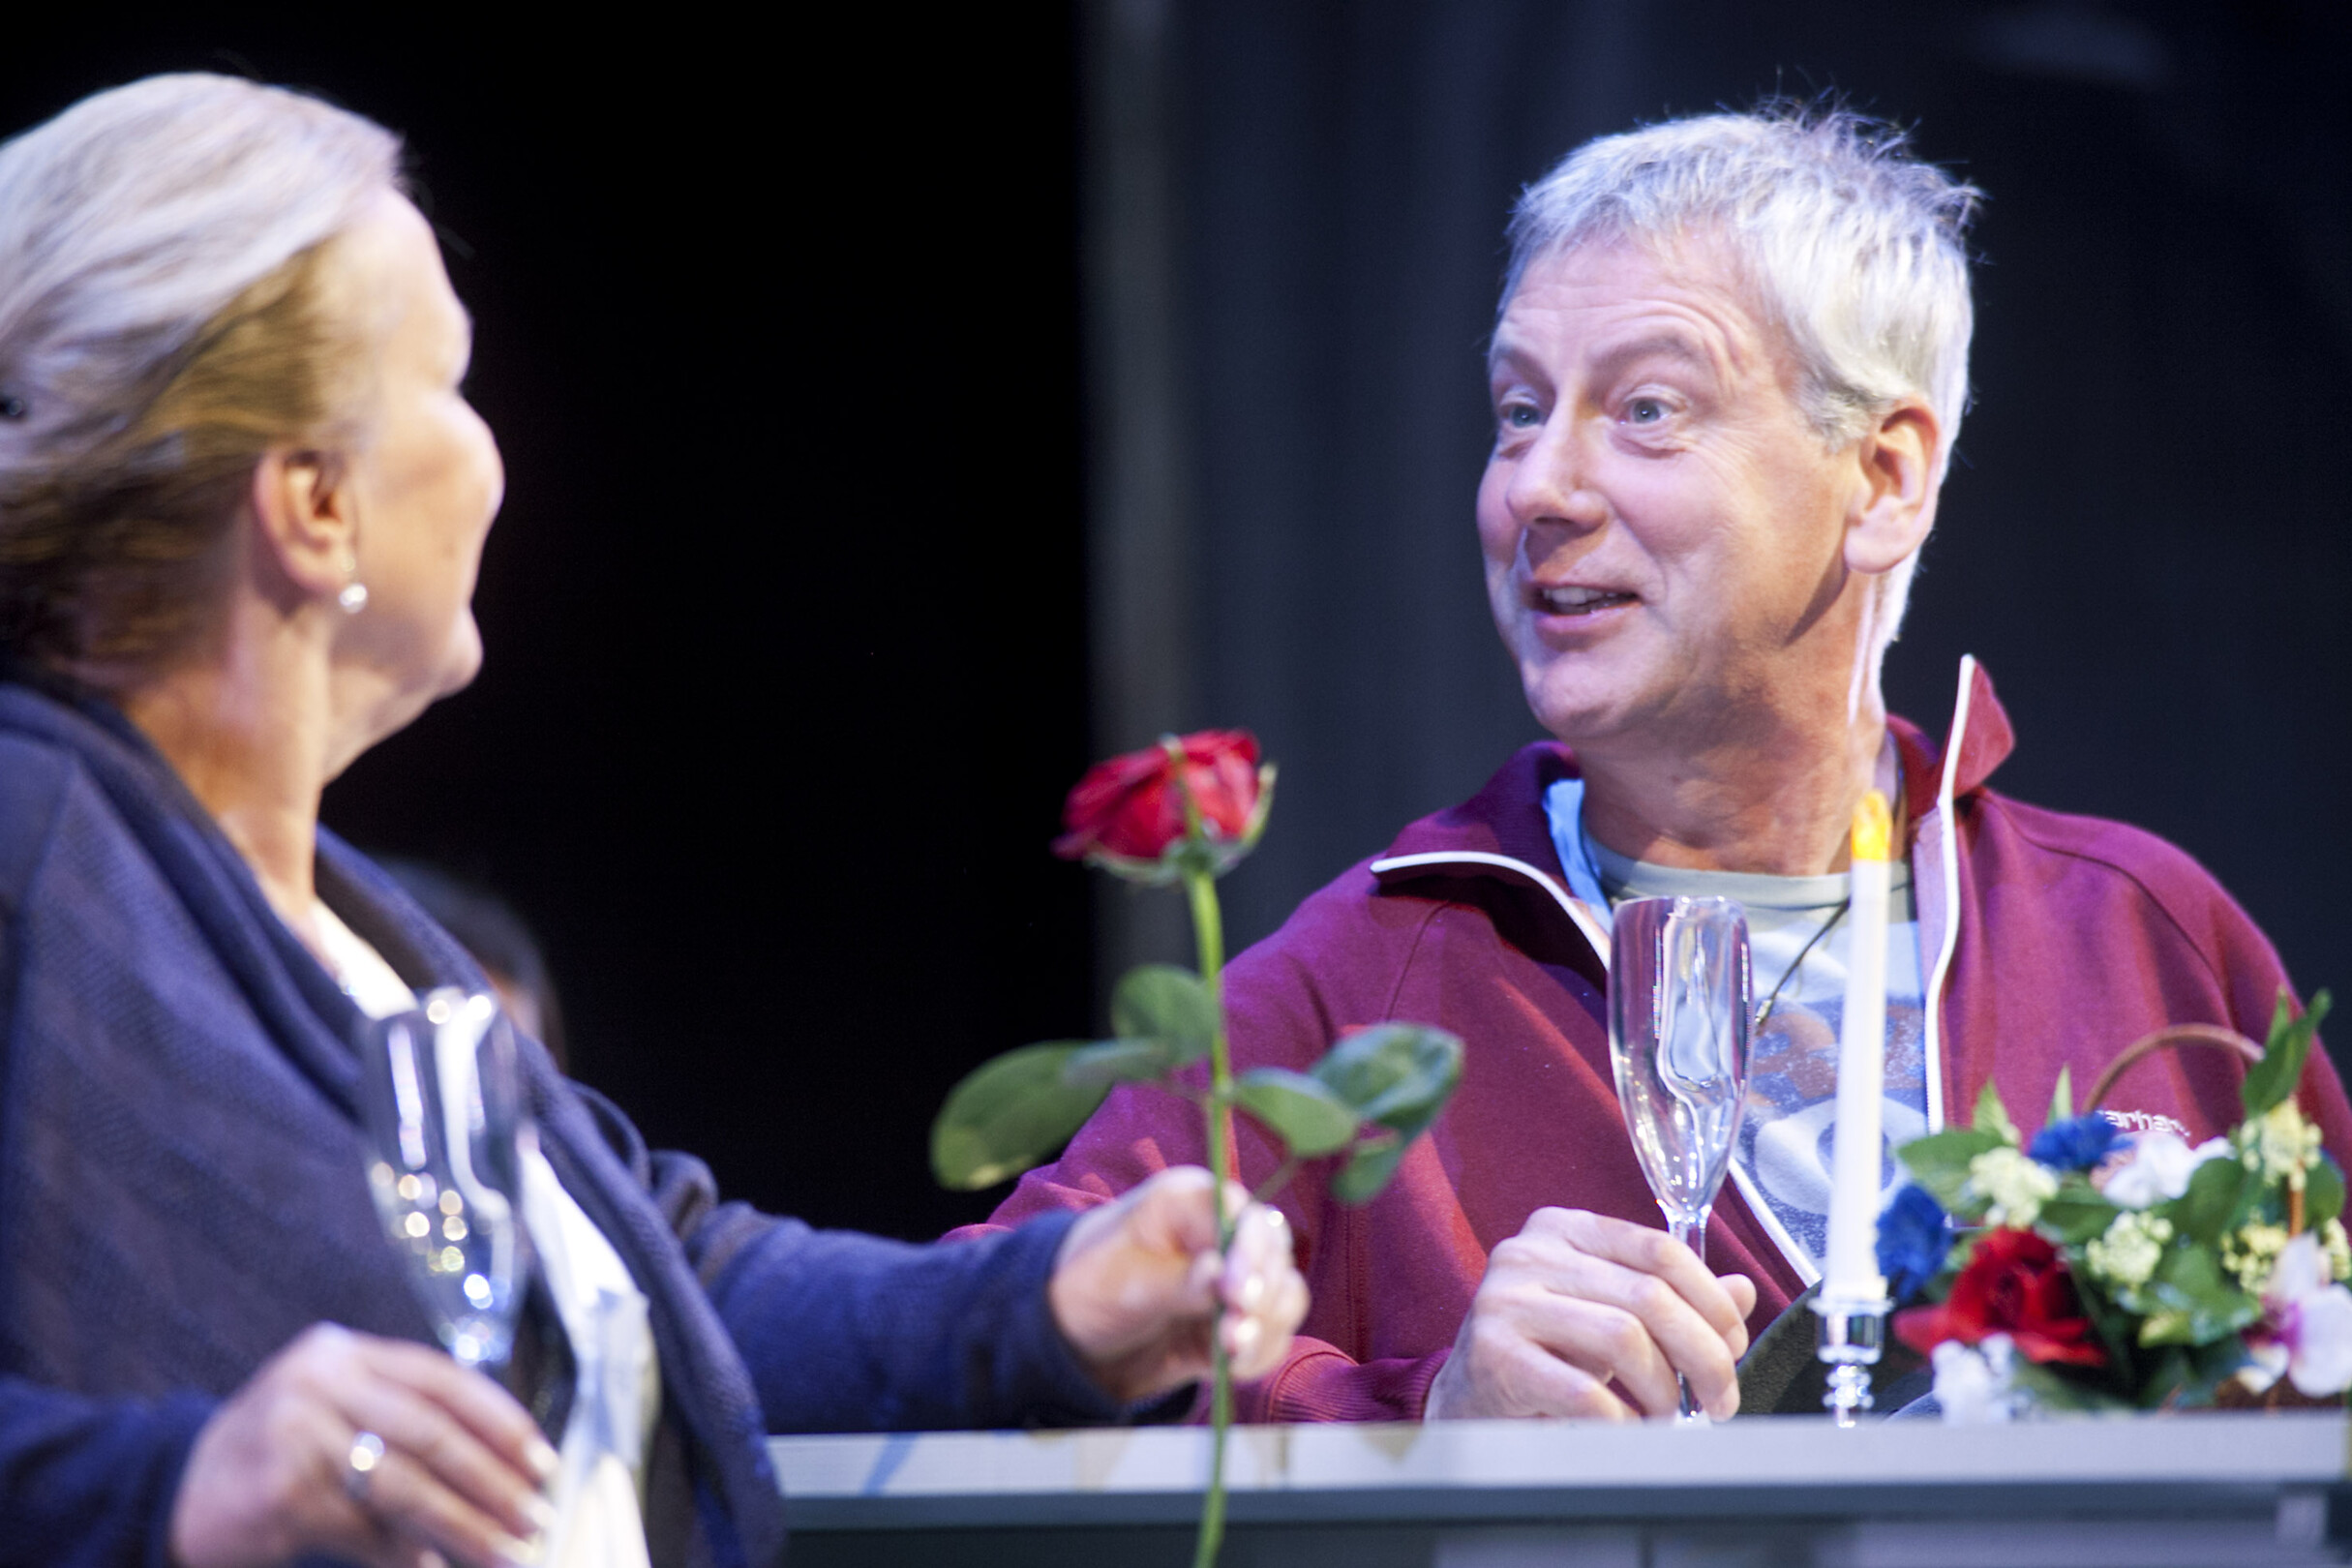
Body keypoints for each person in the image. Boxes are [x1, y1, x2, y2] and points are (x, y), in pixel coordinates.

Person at [0, 75, 1308, 1568]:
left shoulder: (362, 940)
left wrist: (1048, 1304)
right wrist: (174, 1486)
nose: (489, 452)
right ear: (314, 504)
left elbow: (670, 1283)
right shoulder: (33, 842)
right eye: (449, 383)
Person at [978, 107, 2352, 1426]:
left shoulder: (2137, 935)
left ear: (1882, 480)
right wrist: (1422, 1422)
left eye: (1645, 408)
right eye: (1518, 410)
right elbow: (1001, 1358)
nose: (1536, 488)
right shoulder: (1367, 984)